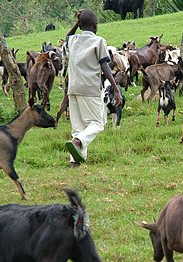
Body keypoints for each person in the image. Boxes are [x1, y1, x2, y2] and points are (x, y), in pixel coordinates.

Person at [65, 9, 122, 168]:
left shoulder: (74, 40)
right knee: (98, 123)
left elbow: (67, 36)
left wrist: (77, 23)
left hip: (73, 89)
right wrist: (116, 89)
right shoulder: (99, 41)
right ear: (95, 25)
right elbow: (105, 67)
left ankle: (74, 162)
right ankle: (77, 143)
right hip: (89, 88)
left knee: (79, 128)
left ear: (80, 25)